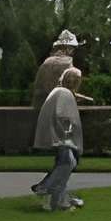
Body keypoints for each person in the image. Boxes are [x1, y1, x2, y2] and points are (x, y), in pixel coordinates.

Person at [31, 65, 86, 211]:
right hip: (63, 137)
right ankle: (45, 186)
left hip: (60, 136)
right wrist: (68, 135)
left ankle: (59, 200)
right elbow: (63, 115)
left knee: (68, 163)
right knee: (67, 162)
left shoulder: (60, 91)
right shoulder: (64, 94)